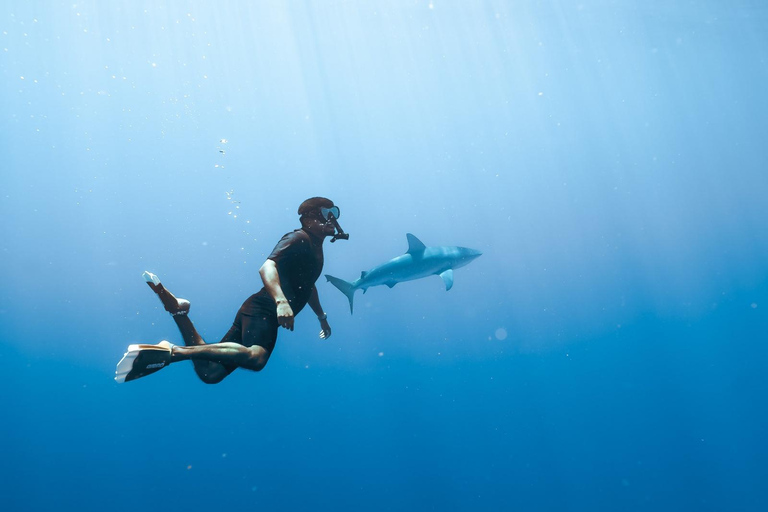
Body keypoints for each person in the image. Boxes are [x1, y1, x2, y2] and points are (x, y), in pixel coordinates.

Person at [115, 197, 348, 384]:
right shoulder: (298, 237)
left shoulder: (316, 249)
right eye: (328, 213)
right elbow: (267, 267)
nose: (333, 219)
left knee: (210, 374)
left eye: (335, 213)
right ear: (308, 218)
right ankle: (173, 352)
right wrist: (281, 302)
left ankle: (179, 312)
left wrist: (321, 317)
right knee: (256, 358)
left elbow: (308, 286)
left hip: (260, 311)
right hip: (264, 309)